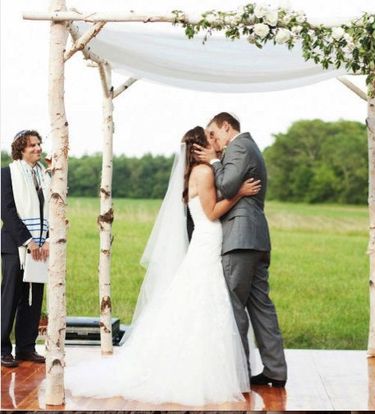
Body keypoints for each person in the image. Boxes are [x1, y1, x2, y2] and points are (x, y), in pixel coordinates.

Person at [64, 126, 261, 406]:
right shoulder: (203, 172)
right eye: (209, 138)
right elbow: (211, 212)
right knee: (204, 301)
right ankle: (196, 372)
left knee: (202, 302)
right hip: (208, 239)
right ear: (199, 146)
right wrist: (239, 193)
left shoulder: (195, 172)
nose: (214, 141)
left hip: (207, 241)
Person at [193, 112, 288, 387]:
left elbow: (225, 185)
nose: (213, 141)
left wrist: (212, 161)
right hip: (256, 238)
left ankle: (240, 374)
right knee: (261, 307)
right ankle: (275, 371)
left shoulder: (240, 146)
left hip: (239, 239)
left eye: (214, 134)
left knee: (234, 306)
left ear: (227, 127)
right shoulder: (248, 148)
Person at [1, 130, 50, 368]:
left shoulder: (44, 176)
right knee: (10, 297)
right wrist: (27, 241)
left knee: (33, 297)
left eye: (39, 144)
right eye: (32, 145)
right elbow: (7, 212)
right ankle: (2, 349)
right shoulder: (7, 174)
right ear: (21, 148)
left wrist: (45, 240)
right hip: (15, 246)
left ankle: (26, 347)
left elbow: (53, 207)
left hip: (41, 245)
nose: (38, 148)